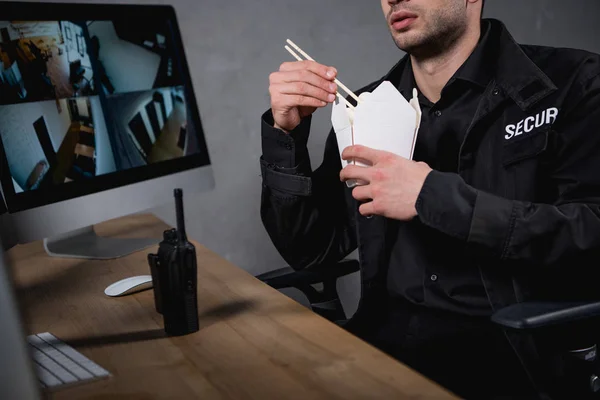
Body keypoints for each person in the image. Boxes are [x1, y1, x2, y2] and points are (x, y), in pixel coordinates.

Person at [259, 0, 600, 398]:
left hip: (513, 359)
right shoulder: (364, 110)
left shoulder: (572, 84)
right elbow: (312, 252)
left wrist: (431, 196)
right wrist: (286, 138)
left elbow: (590, 234)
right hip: (383, 347)